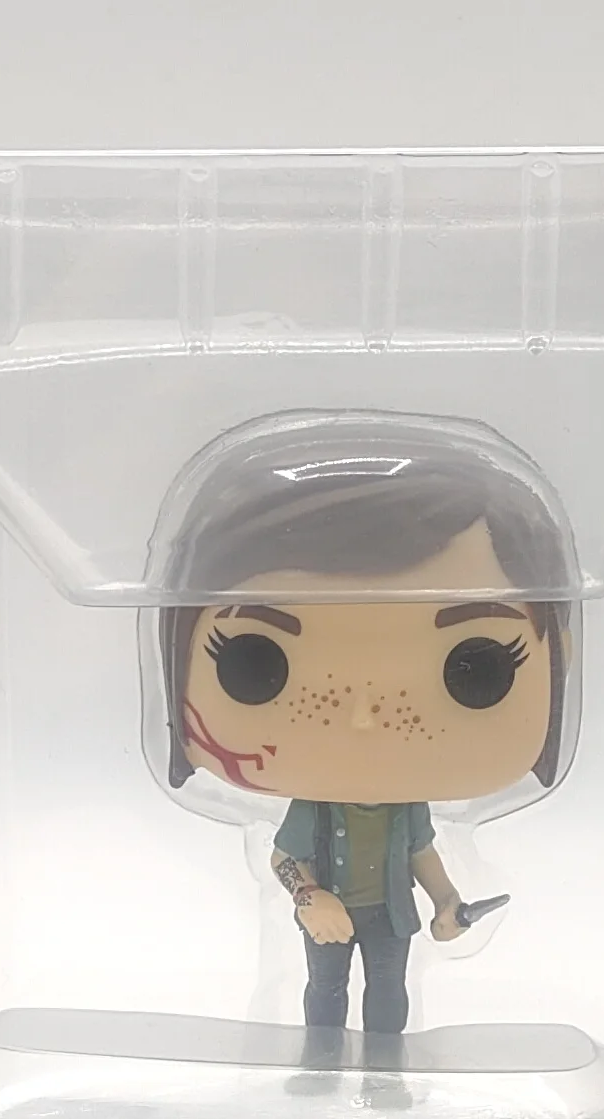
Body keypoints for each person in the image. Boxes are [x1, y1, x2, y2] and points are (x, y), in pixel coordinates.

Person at [150, 411, 578, 1059]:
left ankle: (387, 1072)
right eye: (254, 663)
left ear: (561, 656)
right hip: (330, 912)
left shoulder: (406, 808)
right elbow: (284, 856)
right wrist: (309, 897)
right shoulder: (316, 807)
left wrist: (447, 902)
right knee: (325, 992)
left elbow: (423, 853)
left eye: (477, 669)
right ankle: (320, 1070)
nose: (362, 719)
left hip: (392, 916)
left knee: (388, 992)